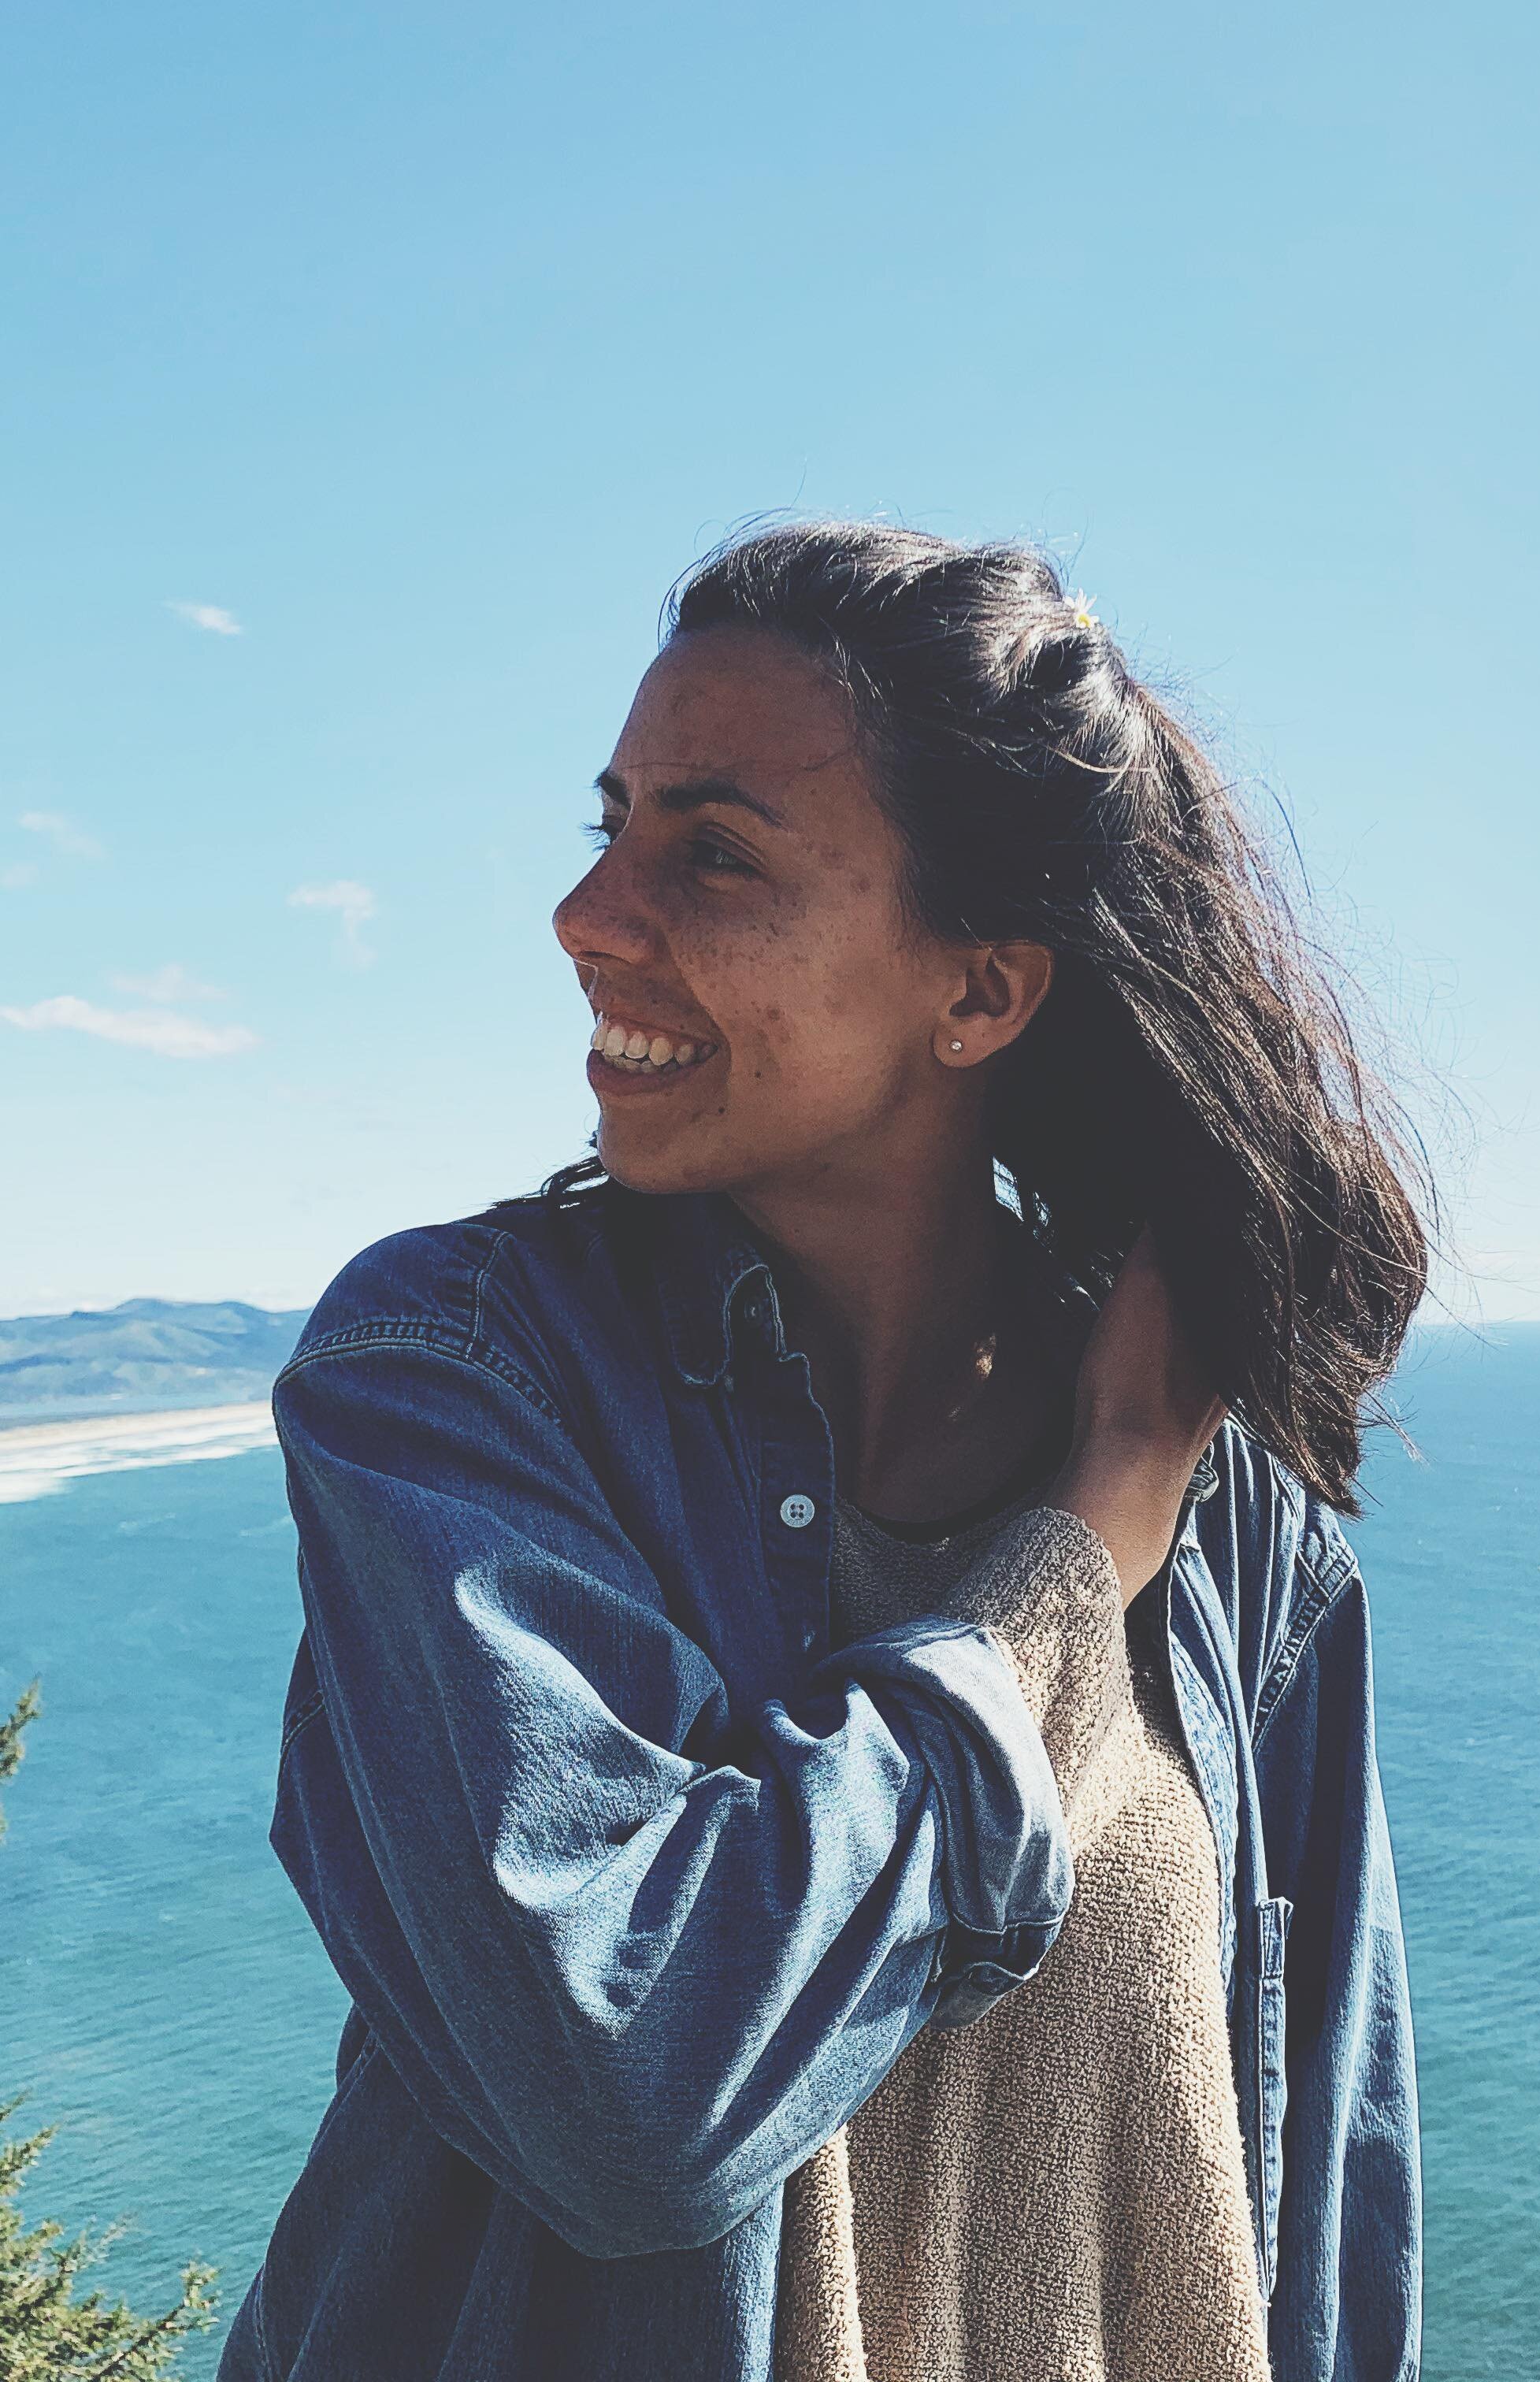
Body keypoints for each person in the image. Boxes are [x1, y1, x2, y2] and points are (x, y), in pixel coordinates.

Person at [221, 521, 1431, 2382]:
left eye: (711, 851)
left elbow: (1329, 2182)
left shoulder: (1238, 1516)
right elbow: (632, 2087)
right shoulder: (451, 1382)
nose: (589, 915)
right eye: (608, 823)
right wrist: (1077, 1549)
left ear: (980, 992)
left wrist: (1144, 1486)